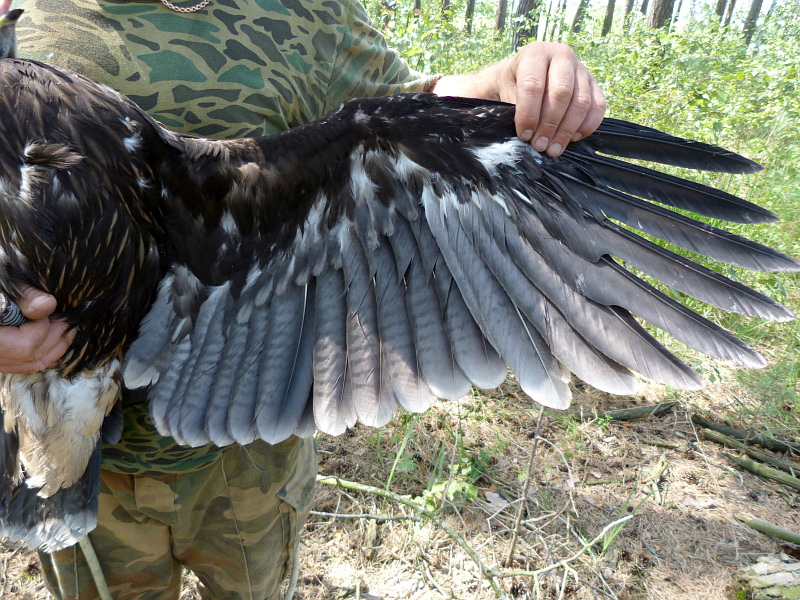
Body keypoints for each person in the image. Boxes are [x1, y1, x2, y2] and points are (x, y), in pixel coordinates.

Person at [4, 0, 605, 598]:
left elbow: (408, 130)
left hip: (249, 461)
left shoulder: (309, 11)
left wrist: (509, 84)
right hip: (78, 463)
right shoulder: (19, 14)